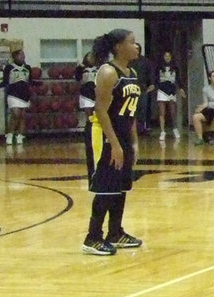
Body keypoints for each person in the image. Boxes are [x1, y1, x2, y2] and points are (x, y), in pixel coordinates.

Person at [81, 29, 142, 255]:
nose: (136, 47)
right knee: (107, 185)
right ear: (118, 47)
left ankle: (115, 233)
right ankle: (92, 237)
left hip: (122, 134)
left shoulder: (132, 72)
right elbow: (100, 109)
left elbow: (131, 113)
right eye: (132, 43)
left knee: (121, 185)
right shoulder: (108, 72)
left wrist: (133, 143)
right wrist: (114, 144)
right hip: (104, 134)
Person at [1, 48, 33, 145]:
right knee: (16, 114)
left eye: (23, 55)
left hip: (24, 94)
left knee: (22, 116)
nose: (22, 56)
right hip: (13, 94)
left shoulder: (27, 67)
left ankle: (20, 136)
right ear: (14, 57)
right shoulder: (9, 67)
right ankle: (10, 134)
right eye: (20, 55)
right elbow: (5, 81)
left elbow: (30, 81)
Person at [154, 50, 182, 140]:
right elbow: (155, 79)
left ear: (171, 57)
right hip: (162, 90)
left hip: (172, 91)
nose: (167, 57)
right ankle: (162, 131)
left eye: (169, 56)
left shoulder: (175, 67)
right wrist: (153, 85)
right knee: (162, 112)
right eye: (165, 56)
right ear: (163, 57)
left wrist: (181, 88)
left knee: (173, 111)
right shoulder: (158, 67)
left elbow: (178, 79)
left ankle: (175, 129)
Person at [76, 51, 99, 130]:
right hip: (86, 93)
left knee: (98, 115)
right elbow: (77, 78)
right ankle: (89, 133)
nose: (91, 58)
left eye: (93, 57)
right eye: (90, 57)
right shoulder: (82, 68)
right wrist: (79, 67)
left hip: (97, 93)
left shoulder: (99, 67)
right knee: (89, 117)